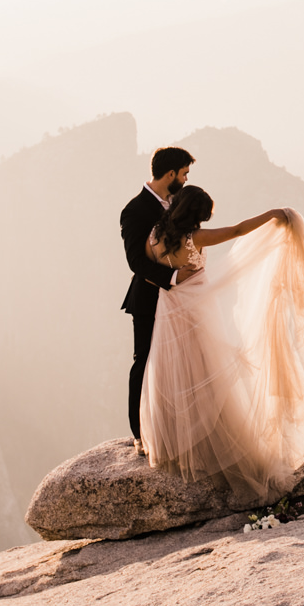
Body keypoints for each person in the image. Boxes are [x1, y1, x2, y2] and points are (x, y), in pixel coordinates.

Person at [138, 186, 304, 501]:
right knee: (206, 375)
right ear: (194, 215)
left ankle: (176, 444)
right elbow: (238, 230)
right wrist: (273, 215)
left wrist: (174, 279)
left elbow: (151, 272)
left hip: (169, 311)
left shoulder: (154, 237)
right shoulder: (194, 239)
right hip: (197, 311)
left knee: (175, 372)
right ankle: (212, 447)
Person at [119, 146, 192, 451]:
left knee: (178, 362)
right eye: (184, 174)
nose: (187, 180)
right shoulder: (134, 210)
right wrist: (173, 279)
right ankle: (139, 432)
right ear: (171, 174)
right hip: (150, 296)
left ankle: (173, 426)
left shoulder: (179, 203)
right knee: (144, 360)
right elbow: (135, 260)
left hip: (180, 301)